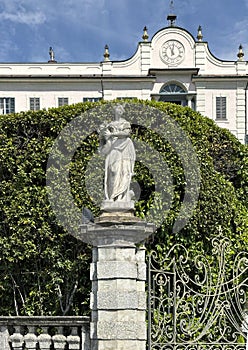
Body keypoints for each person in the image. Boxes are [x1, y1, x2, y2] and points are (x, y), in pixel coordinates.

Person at [99, 105, 135, 202]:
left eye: (120, 109)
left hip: (124, 149)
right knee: (113, 171)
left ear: (122, 112)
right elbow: (103, 140)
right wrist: (104, 135)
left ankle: (121, 197)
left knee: (124, 172)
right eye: (117, 109)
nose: (119, 110)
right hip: (113, 149)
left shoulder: (125, 123)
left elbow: (126, 134)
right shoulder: (110, 125)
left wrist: (112, 134)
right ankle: (111, 197)